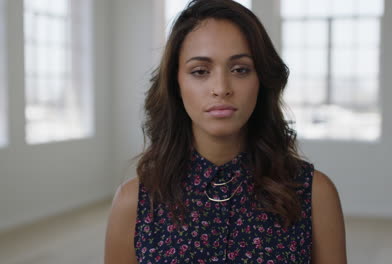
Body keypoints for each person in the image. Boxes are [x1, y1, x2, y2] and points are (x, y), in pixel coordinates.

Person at [104, 0, 347, 263]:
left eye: (240, 70)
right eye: (200, 71)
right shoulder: (134, 202)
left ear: (261, 80)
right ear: (176, 83)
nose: (221, 88)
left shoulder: (314, 194)